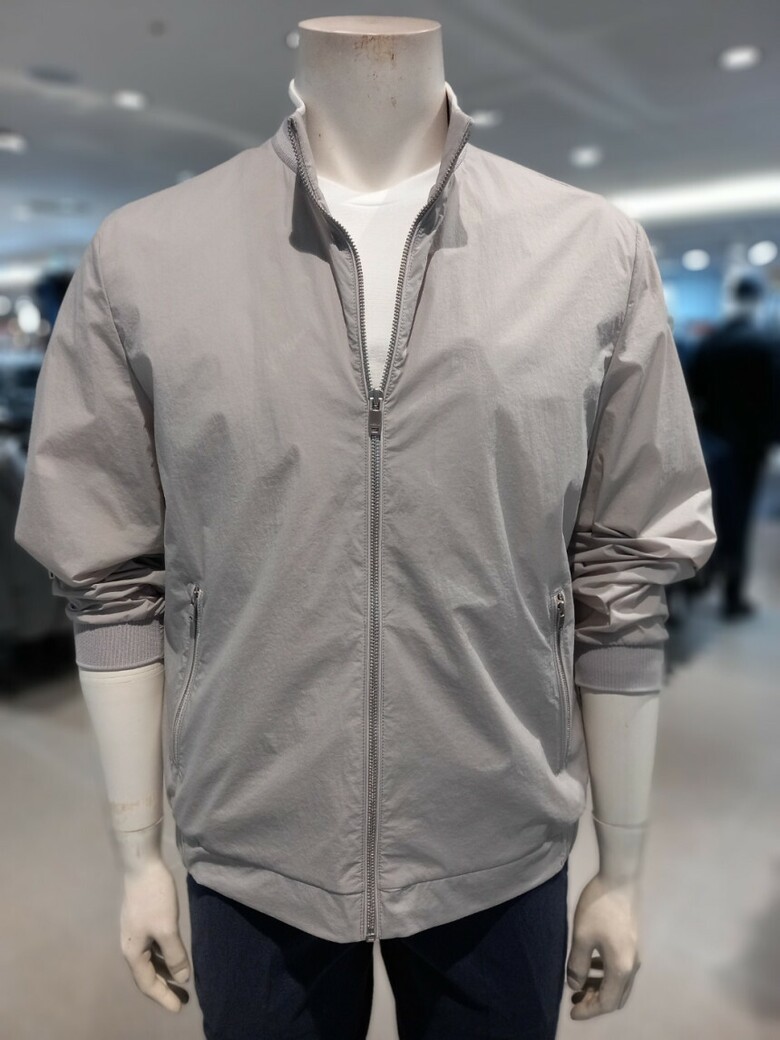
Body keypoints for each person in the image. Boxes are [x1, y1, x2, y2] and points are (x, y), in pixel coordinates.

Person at [687, 273, 778, 617]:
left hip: (715, 444)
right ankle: (733, 594)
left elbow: (694, 393)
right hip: (750, 448)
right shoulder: (765, 344)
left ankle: (703, 579)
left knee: (716, 513)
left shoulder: (711, 343)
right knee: (740, 518)